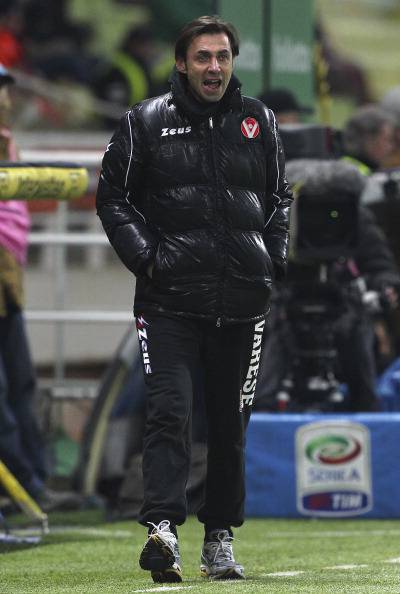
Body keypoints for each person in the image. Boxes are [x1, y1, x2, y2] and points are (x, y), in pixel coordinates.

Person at [96, 15, 293, 583]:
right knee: (170, 413)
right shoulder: (144, 121)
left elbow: (280, 196)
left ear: (232, 62)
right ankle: (162, 529)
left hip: (244, 301)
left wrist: (272, 257)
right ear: (182, 63)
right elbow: (112, 198)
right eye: (203, 57)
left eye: (222, 57)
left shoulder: (259, 120)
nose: (214, 67)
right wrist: (149, 259)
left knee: (230, 428)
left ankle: (219, 538)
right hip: (168, 304)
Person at [254, 159, 400, 413]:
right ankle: (263, 412)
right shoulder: (275, 215)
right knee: (270, 329)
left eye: (332, 206)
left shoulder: (354, 216)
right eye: (313, 206)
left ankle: (367, 411)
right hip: (286, 302)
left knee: (357, 326)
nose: (324, 217)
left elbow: (379, 264)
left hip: (342, 302)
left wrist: (385, 287)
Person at [0, 63, 81, 512]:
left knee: (21, 385)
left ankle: (35, 482)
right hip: (7, 278)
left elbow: (13, 215)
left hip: (7, 282)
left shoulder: (7, 142)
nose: (5, 98)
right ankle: (24, 486)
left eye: (5, 89)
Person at [342, 104, 395, 175]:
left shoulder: (344, 167)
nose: (390, 147)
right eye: (386, 139)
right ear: (369, 140)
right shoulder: (354, 175)